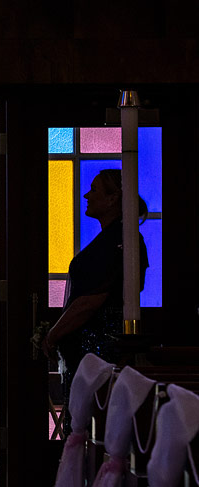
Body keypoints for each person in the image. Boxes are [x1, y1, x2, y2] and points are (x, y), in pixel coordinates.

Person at [42, 168, 148, 434]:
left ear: (113, 199)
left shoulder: (122, 241)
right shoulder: (109, 239)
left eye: (95, 190)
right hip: (87, 352)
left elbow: (90, 301)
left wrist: (53, 334)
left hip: (98, 352)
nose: (87, 195)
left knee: (92, 425)